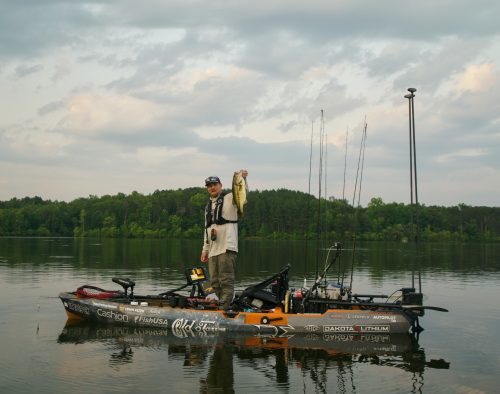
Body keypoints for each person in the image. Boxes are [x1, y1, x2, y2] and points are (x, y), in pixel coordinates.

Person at [200, 171, 248, 310]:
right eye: (209, 185)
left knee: (226, 279)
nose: (212, 187)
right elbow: (206, 229)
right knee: (214, 282)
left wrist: (243, 178)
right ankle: (221, 304)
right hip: (213, 250)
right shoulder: (208, 206)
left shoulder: (229, 197)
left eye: (214, 184)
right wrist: (205, 249)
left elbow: (242, 193)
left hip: (227, 246)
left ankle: (224, 308)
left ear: (220, 185)